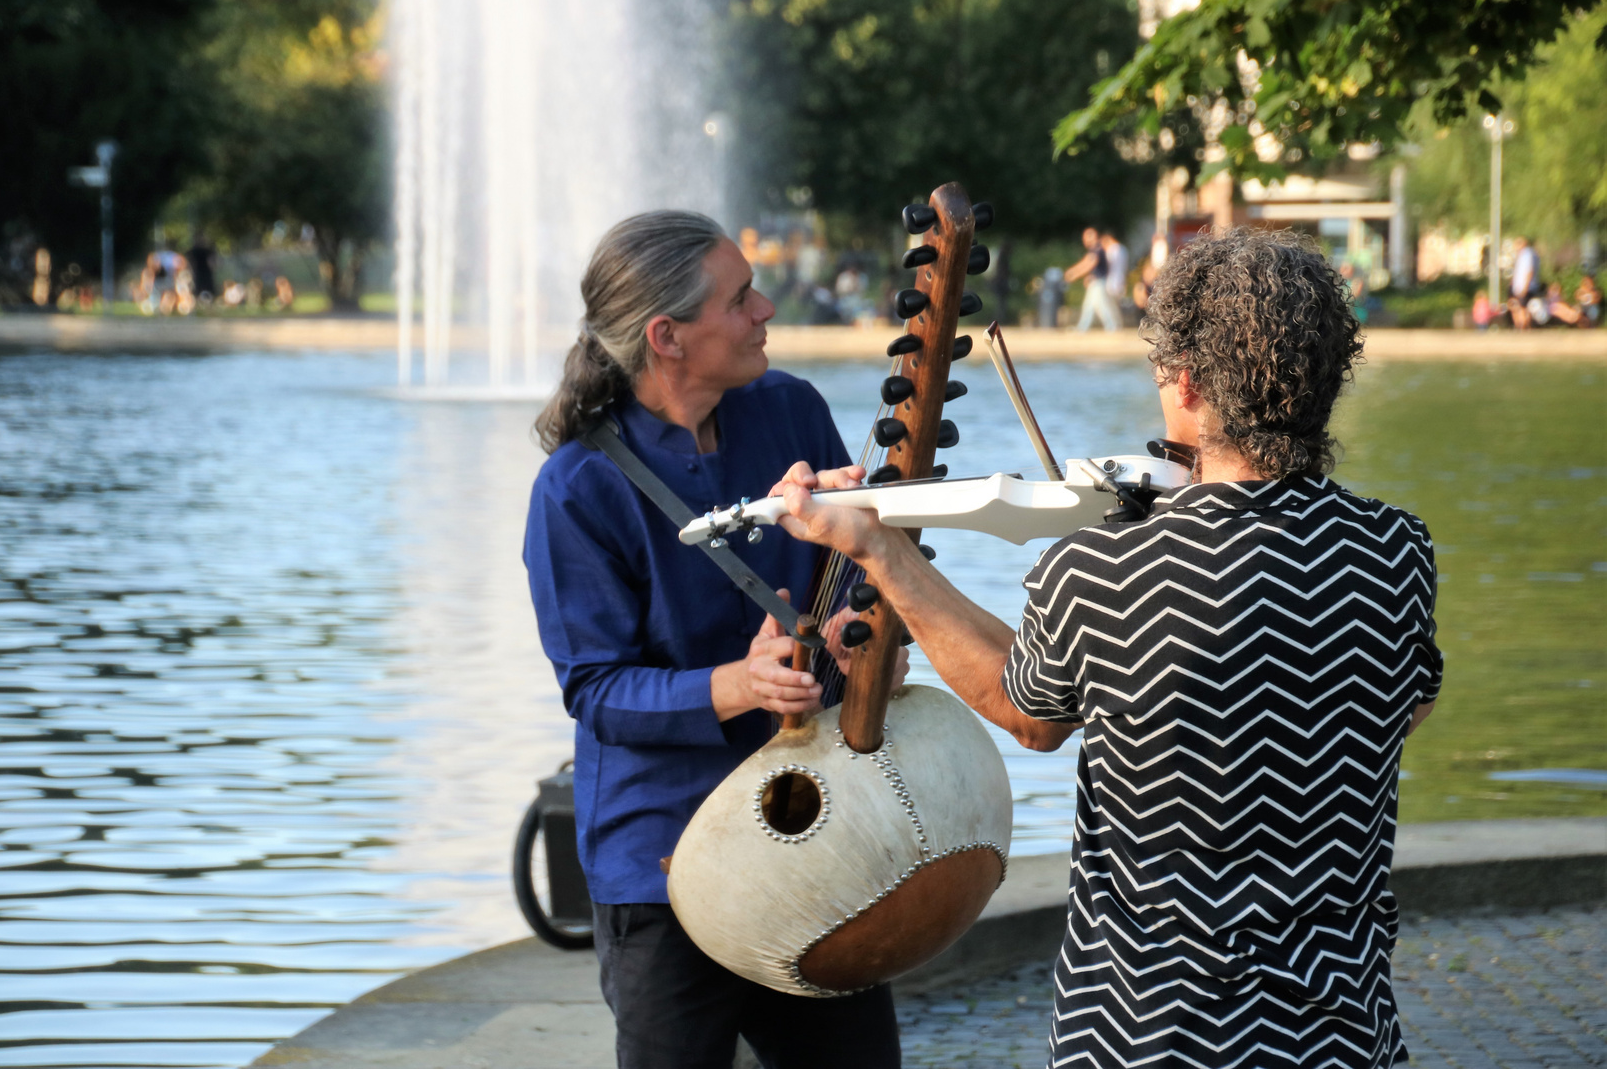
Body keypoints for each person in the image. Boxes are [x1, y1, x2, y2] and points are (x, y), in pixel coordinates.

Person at [777, 226, 1442, 1069]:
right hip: (1338, 1027)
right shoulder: (1393, 550)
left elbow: (1031, 717)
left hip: (1150, 1029)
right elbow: (1405, 707)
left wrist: (881, 550)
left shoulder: (1103, 568)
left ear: (1191, 384)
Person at [523, 211, 905, 1069]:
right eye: (739, 298)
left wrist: (853, 614)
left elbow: (860, 601)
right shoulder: (575, 488)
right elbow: (595, 690)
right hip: (663, 864)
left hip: (817, 837)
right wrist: (738, 684)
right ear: (667, 337)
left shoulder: (792, 409)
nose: (766, 307)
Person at [1064, 227, 1120, 331]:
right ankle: (1082, 328)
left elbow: (1089, 264)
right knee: (1089, 306)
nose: (1084, 240)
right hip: (1096, 282)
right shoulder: (1095, 249)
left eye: (1086, 237)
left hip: (1099, 282)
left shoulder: (1098, 249)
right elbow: (1087, 262)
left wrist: (1074, 274)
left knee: (1100, 306)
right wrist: (1075, 272)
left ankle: (1112, 327)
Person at [1508, 237, 1540, 329]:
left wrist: (1525, 287)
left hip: (1524, 287)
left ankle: (1524, 326)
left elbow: (1529, 271)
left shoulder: (1527, 254)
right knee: (1517, 306)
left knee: (1523, 307)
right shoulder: (1521, 255)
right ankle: (1520, 325)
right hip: (1518, 286)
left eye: (1517, 244)